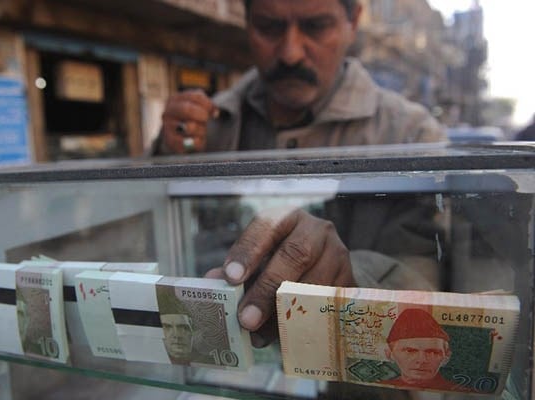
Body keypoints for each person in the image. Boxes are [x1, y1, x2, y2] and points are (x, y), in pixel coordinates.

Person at [155, 0, 446, 350]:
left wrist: (351, 276)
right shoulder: (213, 127)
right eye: (269, 27)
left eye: (315, 27)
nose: (290, 53)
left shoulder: (412, 136)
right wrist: (170, 154)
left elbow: (429, 275)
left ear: (353, 22)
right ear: (247, 23)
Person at [381, 308, 469, 391]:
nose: (422, 360)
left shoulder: (462, 391)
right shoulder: (382, 388)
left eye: (433, 352)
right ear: (389, 354)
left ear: (446, 357)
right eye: (410, 351)